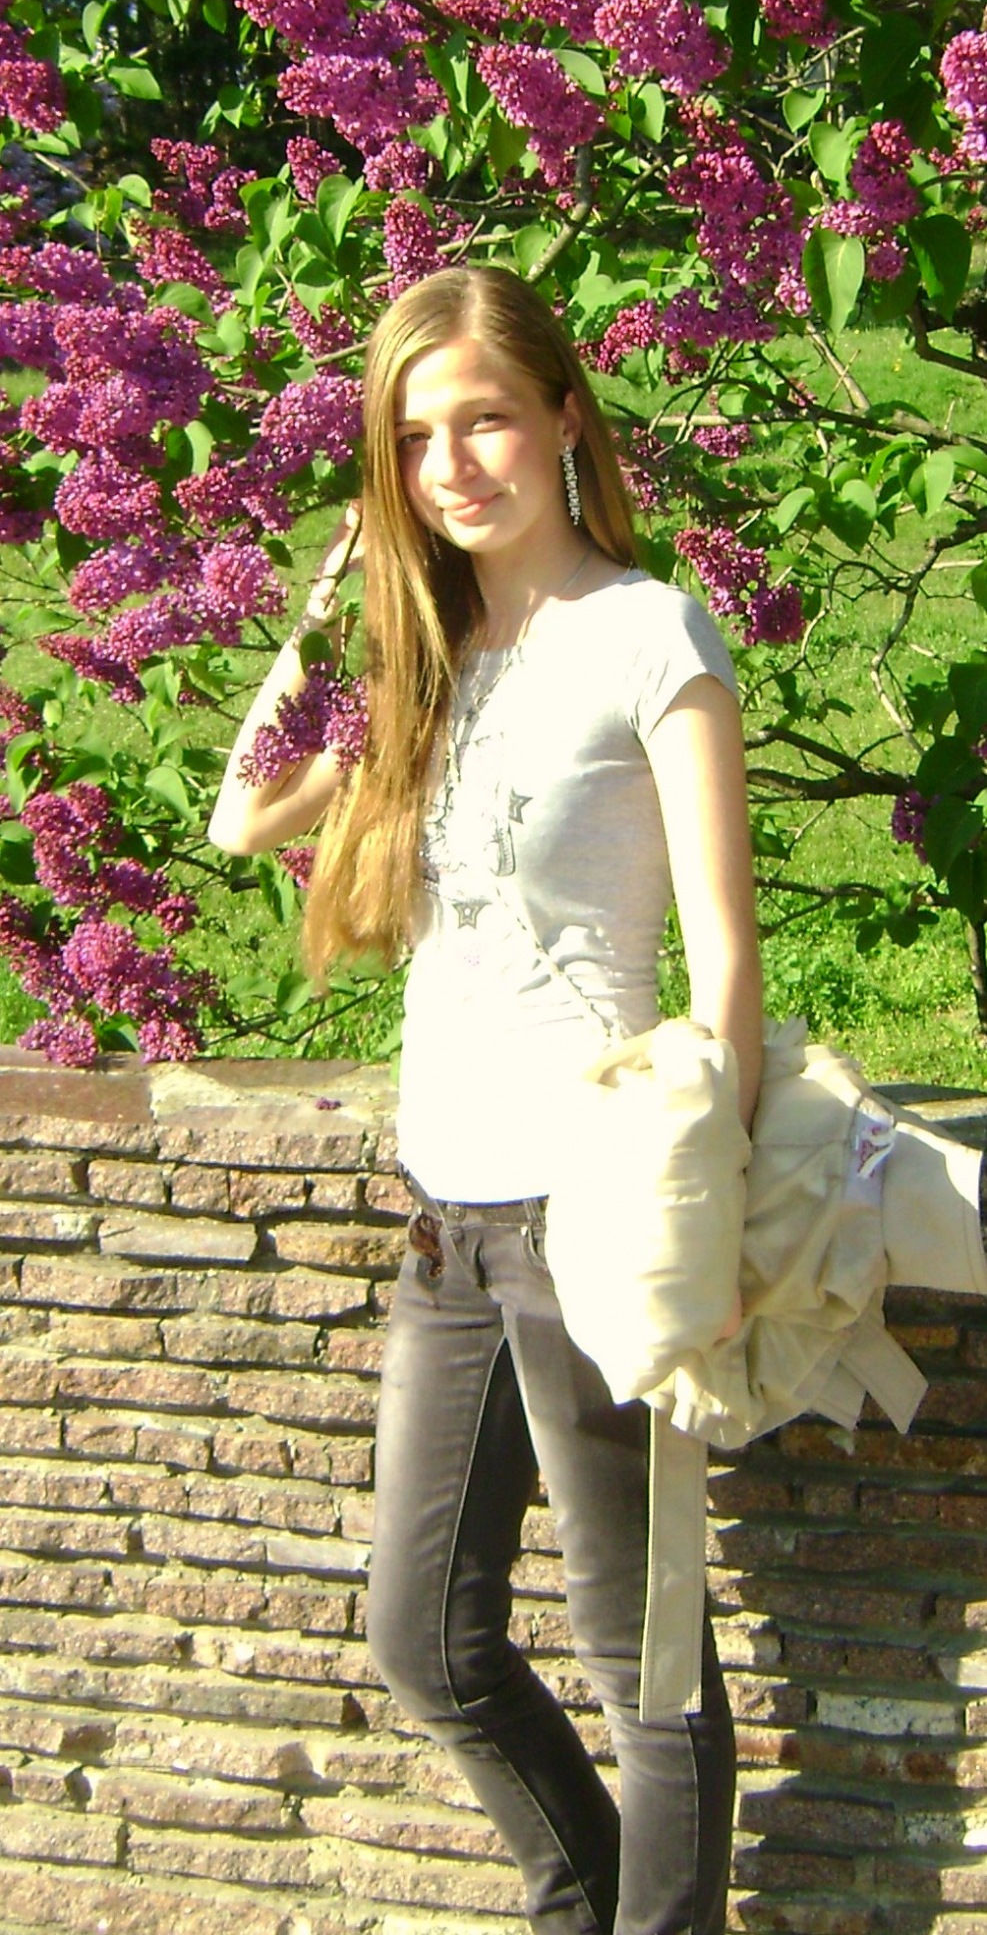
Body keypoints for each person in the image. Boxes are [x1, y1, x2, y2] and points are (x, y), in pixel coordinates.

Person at [209, 264, 763, 1935]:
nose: (451, 466)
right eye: (413, 438)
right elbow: (245, 816)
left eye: (488, 422)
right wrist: (340, 592)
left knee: (638, 1652)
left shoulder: (649, 635)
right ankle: (580, 1905)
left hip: (597, 1205)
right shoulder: (423, 661)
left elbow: (726, 957)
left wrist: (715, 1215)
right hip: (449, 1217)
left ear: (565, 419)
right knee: (421, 1638)